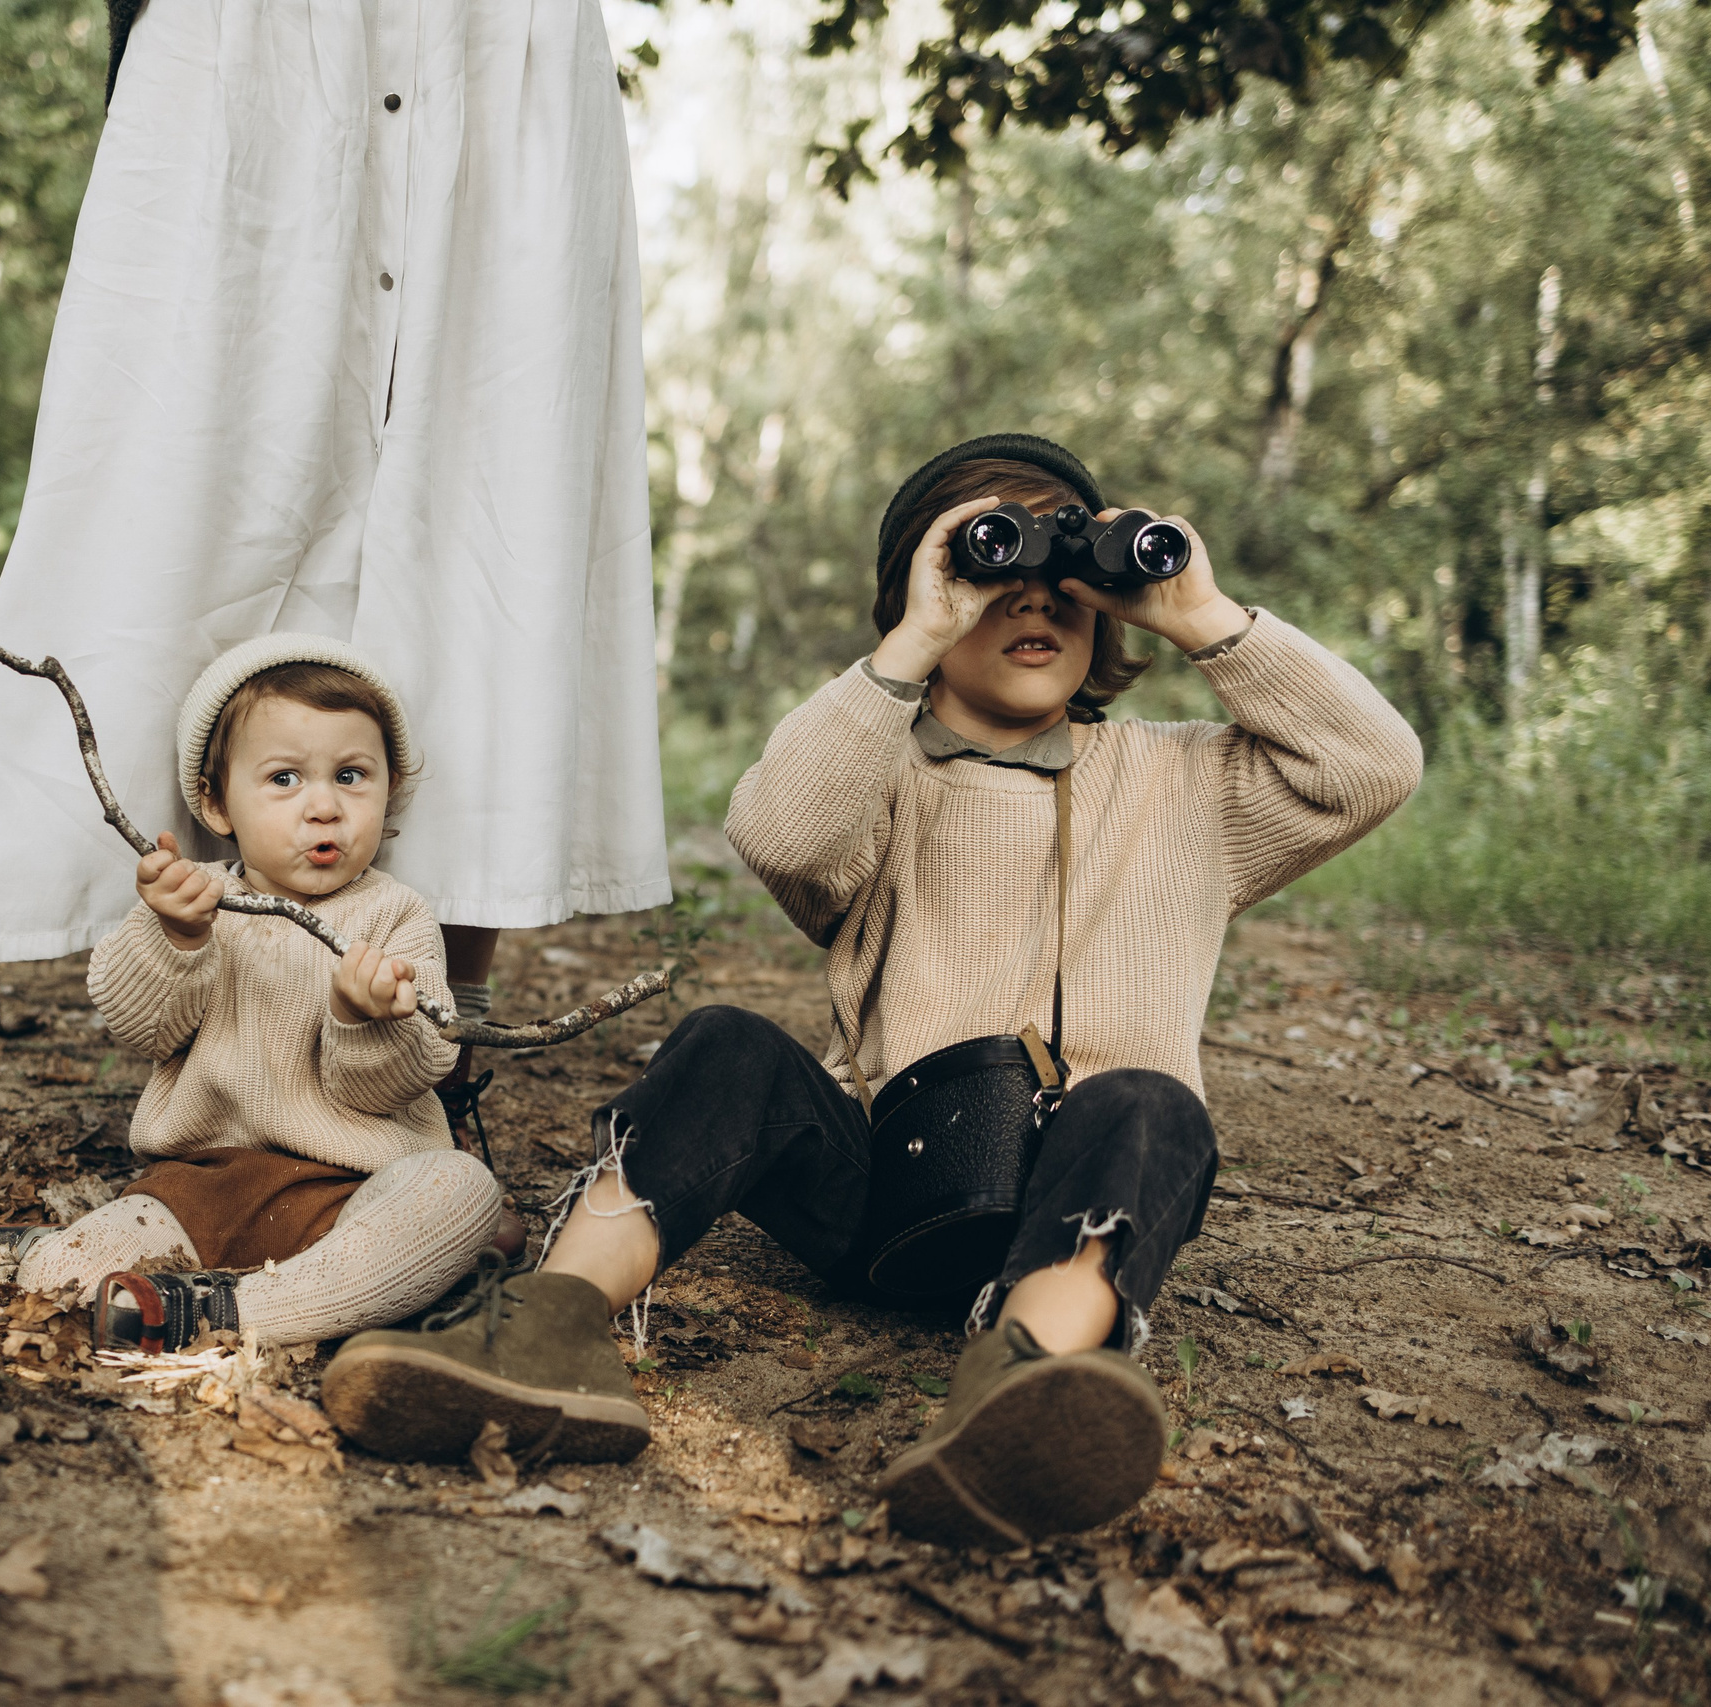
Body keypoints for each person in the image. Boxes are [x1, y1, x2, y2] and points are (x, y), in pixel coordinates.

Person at [0, 0, 668, 1256]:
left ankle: (439, 1090)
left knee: (484, 567)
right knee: (128, 540)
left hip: (503, 54)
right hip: (259, 57)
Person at [321, 434, 1425, 1549]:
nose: (1030, 605)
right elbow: (779, 832)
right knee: (726, 1045)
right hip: (895, 1196)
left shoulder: (1189, 784)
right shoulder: (880, 777)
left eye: (1065, 586)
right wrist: (914, 642)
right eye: (991, 582)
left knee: (1149, 1104)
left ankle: (1020, 1382)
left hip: (1079, 1201)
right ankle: (550, 1329)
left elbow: (1371, 766)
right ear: (926, 599)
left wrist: (1201, 615)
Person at [1, 633, 504, 1349]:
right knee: (61, 1278)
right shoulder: (199, 903)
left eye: (352, 775)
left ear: (390, 787)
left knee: (462, 1191)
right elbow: (136, 1025)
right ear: (216, 802)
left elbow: (399, 1080)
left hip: (352, 1194)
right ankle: (79, 1260)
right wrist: (173, 938)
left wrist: (362, 1020)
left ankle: (231, 1312)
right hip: (200, 1186)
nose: (324, 806)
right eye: (285, 779)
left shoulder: (397, 917)